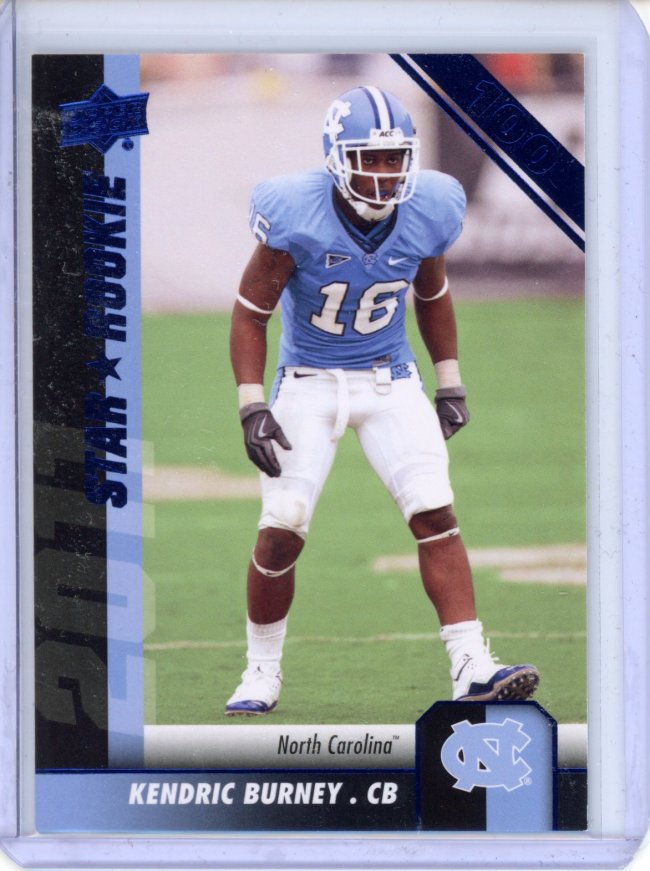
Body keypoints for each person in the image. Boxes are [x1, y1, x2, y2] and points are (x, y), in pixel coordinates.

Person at [225, 85, 539, 715]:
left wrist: (449, 380)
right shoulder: (296, 211)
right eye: (369, 157)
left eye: (395, 158)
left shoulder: (430, 207)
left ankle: (471, 665)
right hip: (308, 381)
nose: (384, 172)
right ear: (336, 158)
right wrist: (252, 403)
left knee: (434, 511)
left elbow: (433, 293)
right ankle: (261, 670)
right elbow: (250, 312)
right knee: (282, 528)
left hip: (390, 378)